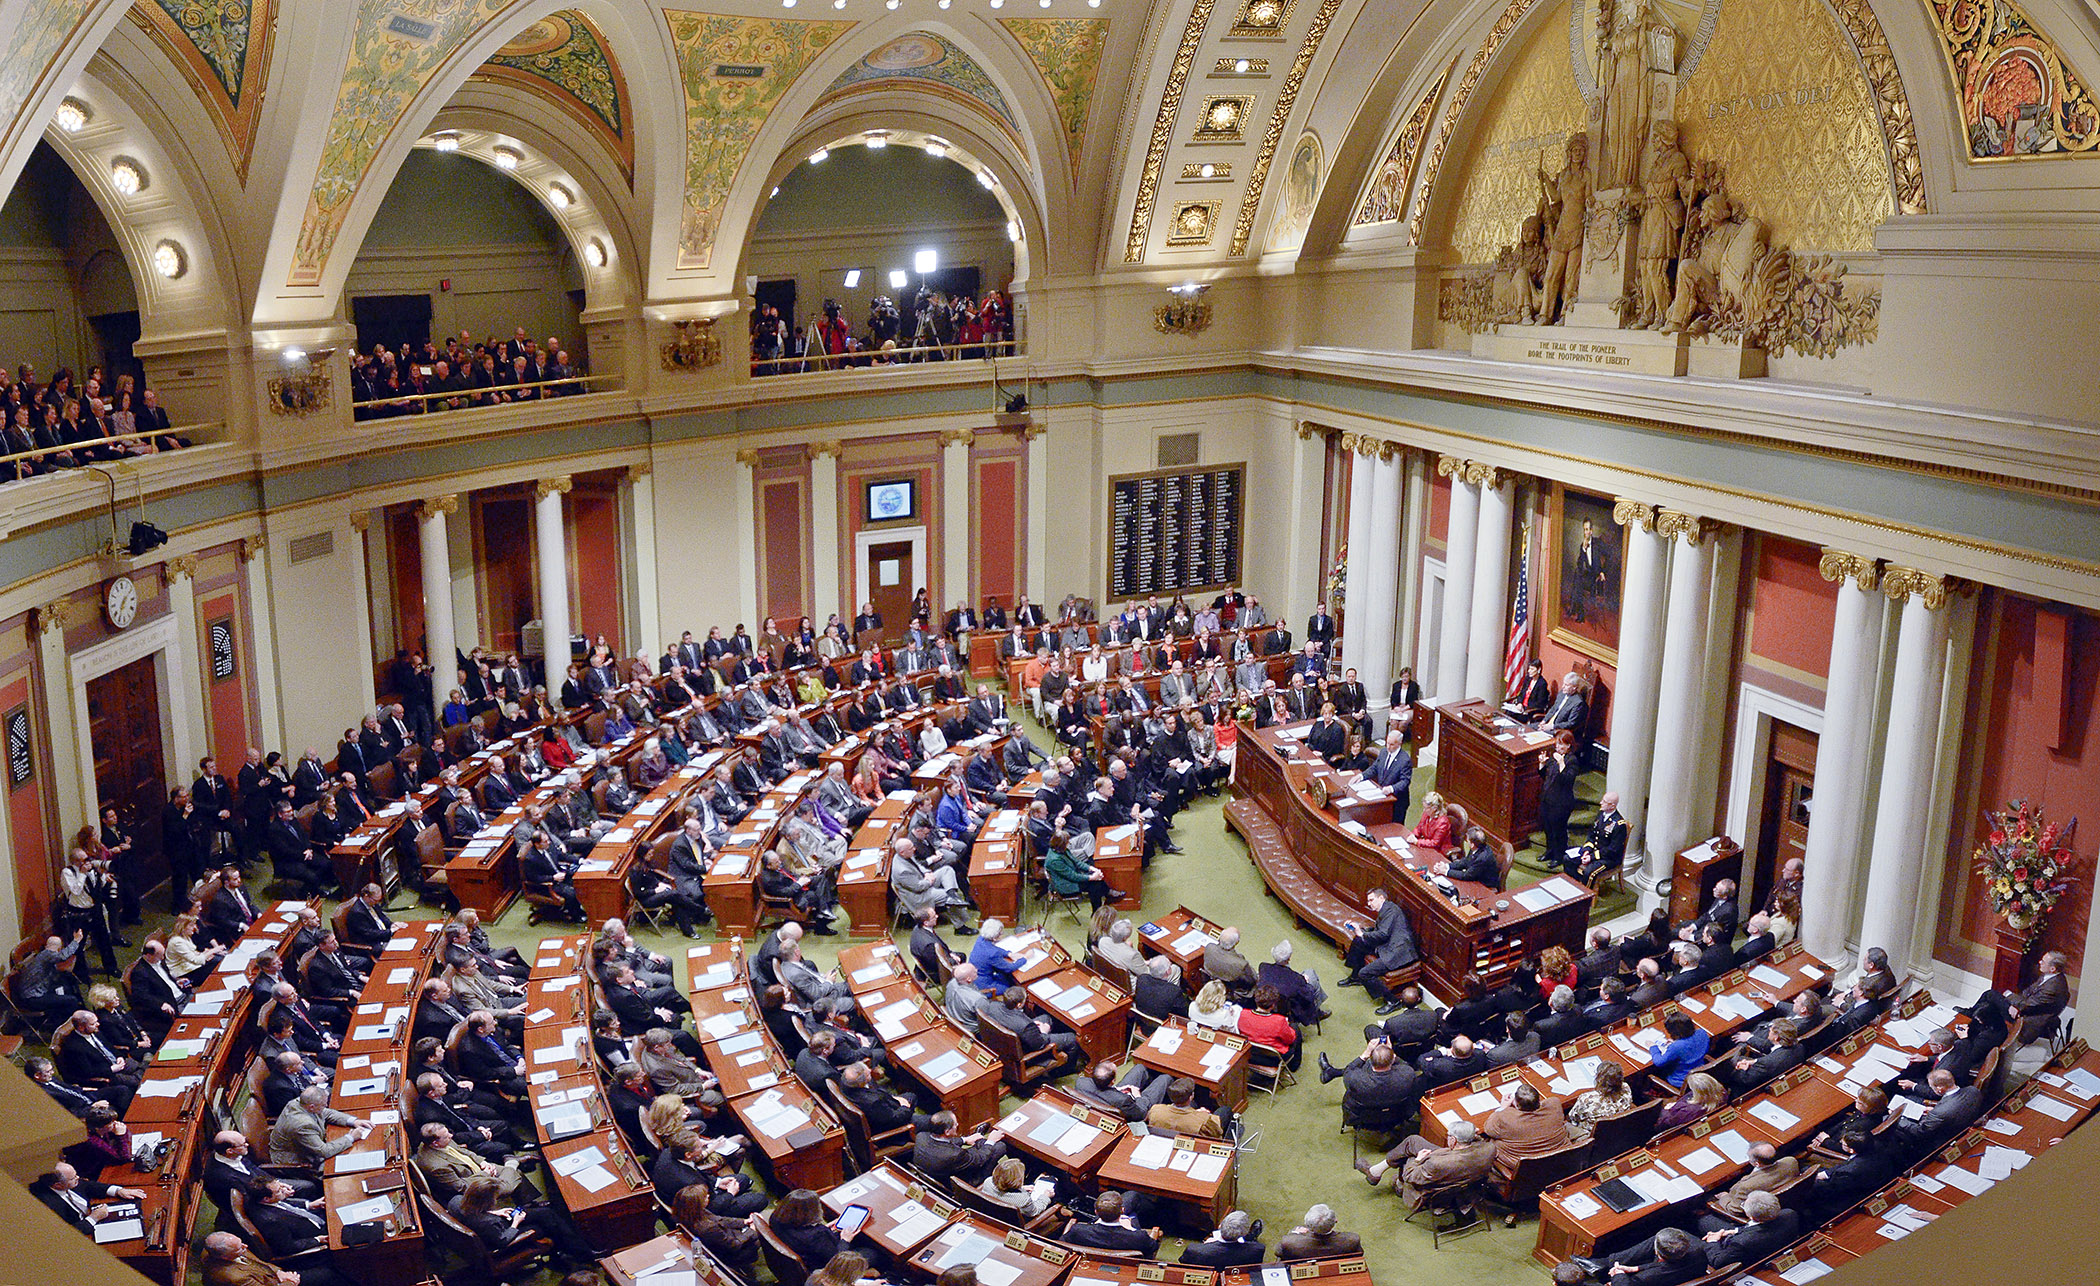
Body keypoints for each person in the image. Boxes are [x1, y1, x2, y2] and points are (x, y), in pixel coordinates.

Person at [1360, 1118, 1496, 1209]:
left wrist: (1418, 1159)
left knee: (1408, 1159)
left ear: (1453, 1141)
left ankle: (1399, 1186)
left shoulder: (1436, 1164)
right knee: (1412, 1141)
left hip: (1435, 1193)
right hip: (1463, 1173)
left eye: (1448, 1135)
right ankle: (1376, 1172)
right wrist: (1472, 1134)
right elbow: (1479, 1142)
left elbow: (1410, 1175)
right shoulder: (1489, 1148)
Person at [1337, 888, 1419, 1012]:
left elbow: (1383, 934)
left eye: (1371, 900)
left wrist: (1362, 933)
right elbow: (1380, 932)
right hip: (1387, 945)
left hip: (1397, 953)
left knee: (1365, 973)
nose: (1369, 904)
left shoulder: (1391, 911)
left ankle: (1393, 1001)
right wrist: (1360, 930)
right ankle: (1355, 977)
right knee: (1358, 941)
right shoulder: (1386, 910)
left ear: (1381, 898)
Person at [1482, 1083, 1571, 1185]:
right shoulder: (1554, 1104)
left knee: (1488, 1141)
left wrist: (1503, 1108)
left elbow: (1488, 1129)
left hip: (1524, 1168)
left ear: (1516, 1104)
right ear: (1538, 1100)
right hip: (1557, 1161)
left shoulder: (1504, 1118)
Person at [912, 1111, 1005, 1185]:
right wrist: (991, 1140)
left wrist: (964, 1140)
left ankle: (978, 1138)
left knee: (980, 1145)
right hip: (961, 1180)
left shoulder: (921, 1136)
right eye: (955, 1124)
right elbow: (980, 1159)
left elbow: (941, 1142)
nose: (957, 1125)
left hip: (940, 1168)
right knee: (999, 1147)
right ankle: (981, 1141)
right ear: (947, 1132)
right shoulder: (955, 1155)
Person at [1060, 1190, 1161, 1255]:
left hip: (1091, 1252)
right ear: (1122, 1211)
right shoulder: (1138, 1237)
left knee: (1131, 1196)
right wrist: (1131, 1229)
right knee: (1133, 1197)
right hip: (1127, 1242)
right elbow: (1153, 1246)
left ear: (1096, 1212)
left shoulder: (1078, 1230)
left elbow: (1061, 1243)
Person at [1236, 985, 1302, 1070]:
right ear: (1273, 1005)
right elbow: (1290, 1040)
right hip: (1273, 1059)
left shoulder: (1243, 1014)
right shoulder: (1279, 1021)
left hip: (1250, 1054)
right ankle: (1294, 1066)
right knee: (1295, 1028)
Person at [1648, 1011, 1710, 1089]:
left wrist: (1653, 1047)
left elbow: (1658, 1062)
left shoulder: (1676, 1047)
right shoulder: (1702, 1033)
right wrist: (1677, 1042)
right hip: (1700, 1070)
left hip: (1681, 1080)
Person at [1147, 1076, 1224, 1138]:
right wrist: (1206, 1115)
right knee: (1225, 1110)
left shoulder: (1155, 1110)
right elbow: (1216, 1133)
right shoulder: (1204, 1120)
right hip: (1192, 1142)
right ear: (1191, 1096)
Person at [1276, 1204, 1361, 1260]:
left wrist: (1294, 1233)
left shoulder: (1289, 1242)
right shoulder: (1352, 1239)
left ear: (1307, 1224)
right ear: (1335, 1221)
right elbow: (1359, 1254)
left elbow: (1278, 1252)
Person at [1657, 1072, 1729, 1132]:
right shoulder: (1723, 1093)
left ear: (1698, 1092)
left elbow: (1664, 1125)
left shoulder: (1686, 1111)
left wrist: (1668, 1110)